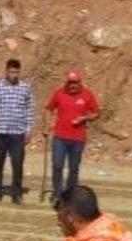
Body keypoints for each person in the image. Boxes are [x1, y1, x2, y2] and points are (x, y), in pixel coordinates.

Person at [43, 70, 100, 202]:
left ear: (80, 82)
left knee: (73, 168)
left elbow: (96, 113)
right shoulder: (59, 93)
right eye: (70, 82)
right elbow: (48, 109)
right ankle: (57, 193)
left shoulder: (87, 95)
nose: (72, 85)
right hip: (60, 137)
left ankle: (70, 195)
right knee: (57, 165)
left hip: (78, 138)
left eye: (74, 83)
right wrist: (46, 127)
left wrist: (84, 118)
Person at [0, 59, 34, 204]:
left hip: (17, 133)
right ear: (6, 71)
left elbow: (30, 110)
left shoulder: (25, 88)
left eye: (17, 72)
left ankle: (17, 193)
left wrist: (28, 131)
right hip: (0, 132)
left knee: (18, 164)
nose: (14, 75)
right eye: (12, 72)